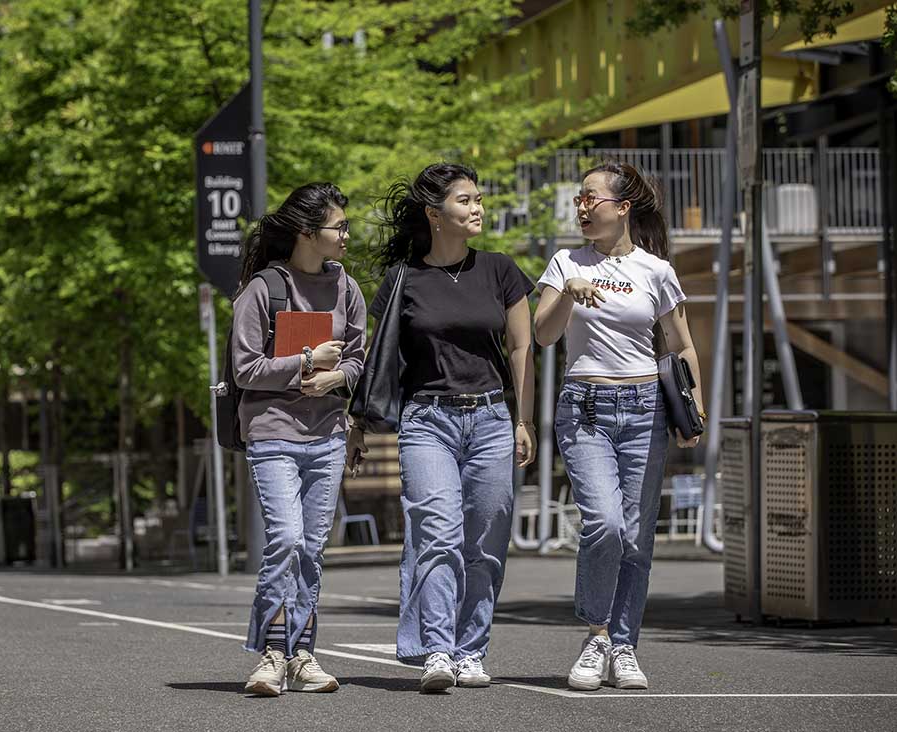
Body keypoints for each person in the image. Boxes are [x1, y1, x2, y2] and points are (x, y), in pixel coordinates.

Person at [351, 162, 536, 693]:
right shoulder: (403, 279)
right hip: (427, 420)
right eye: (465, 200)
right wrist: (358, 422)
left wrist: (522, 418)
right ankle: (437, 648)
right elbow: (376, 354)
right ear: (435, 215)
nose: (477, 207)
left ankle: (471, 650)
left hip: (493, 421)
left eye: (478, 199)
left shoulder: (500, 270)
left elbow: (523, 347)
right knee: (436, 535)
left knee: (485, 540)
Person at [534, 161, 704, 691]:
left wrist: (692, 412)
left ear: (622, 208)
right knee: (604, 523)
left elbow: (681, 345)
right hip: (585, 405)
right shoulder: (565, 261)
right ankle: (597, 633)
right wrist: (569, 290)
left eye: (592, 199)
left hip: (645, 408)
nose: (583, 207)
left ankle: (624, 644)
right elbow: (542, 334)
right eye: (579, 200)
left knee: (636, 536)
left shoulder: (656, 271)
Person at [231, 182, 367, 696]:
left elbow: (358, 357)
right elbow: (246, 369)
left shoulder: (345, 287)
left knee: (311, 548)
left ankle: (302, 655)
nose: (347, 235)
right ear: (308, 232)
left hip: (328, 435)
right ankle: (269, 654)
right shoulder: (264, 289)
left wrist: (338, 378)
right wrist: (307, 362)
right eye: (340, 227)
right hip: (273, 434)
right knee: (285, 540)